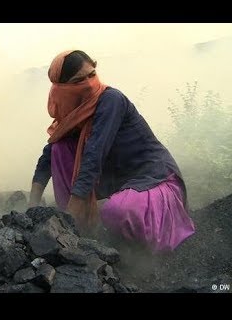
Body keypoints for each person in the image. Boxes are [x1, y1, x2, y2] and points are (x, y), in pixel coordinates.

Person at [29, 49, 195, 252]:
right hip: (120, 181)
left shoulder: (110, 100)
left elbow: (94, 155)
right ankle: (81, 227)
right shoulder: (73, 109)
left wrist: (68, 217)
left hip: (155, 180)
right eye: (79, 80)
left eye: (92, 74)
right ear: (63, 88)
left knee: (117, 212)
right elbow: (49, 154)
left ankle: (82, 225)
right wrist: (32, 204)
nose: (90, 83)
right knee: (60, 149)